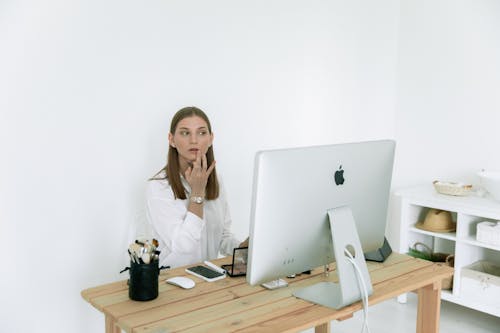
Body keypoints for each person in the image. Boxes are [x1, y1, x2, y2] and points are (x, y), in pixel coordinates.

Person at [146, 106, 248, 268]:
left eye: (201, 133)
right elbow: (184, 246)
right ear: (171, 139)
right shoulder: (159, 187)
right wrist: (197, 193)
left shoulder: (217, 181)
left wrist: (246, 248)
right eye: (185, 133)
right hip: (171, 281)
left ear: (211, 138)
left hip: (206, 280)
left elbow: (222, 237)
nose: (194, 140)